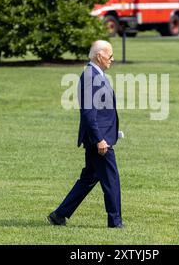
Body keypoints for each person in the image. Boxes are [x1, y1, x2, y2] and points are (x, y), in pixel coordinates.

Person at [48, 40, 123, 228]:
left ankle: (59, 215)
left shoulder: (96, 74)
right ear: (99, 56)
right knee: (111, 180)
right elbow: (88, 113)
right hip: (99, 141)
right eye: (110, 55)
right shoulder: (91, 76)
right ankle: (115, 222)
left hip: (100, 137)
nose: (112, 59)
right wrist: (100, 139)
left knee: (89, 178)